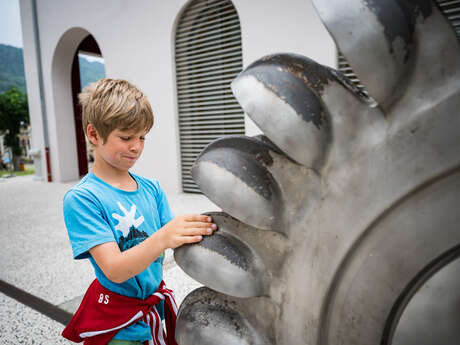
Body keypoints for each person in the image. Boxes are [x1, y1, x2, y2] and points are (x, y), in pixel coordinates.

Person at [61, 78, 217, 345]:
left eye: (142, 137)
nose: (137, 146)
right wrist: (164, 237)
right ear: (94, 134)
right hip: (116, 323)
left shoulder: (151, 188)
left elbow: (177, 241)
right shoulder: (83, 198)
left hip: (153, 311)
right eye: (126, 137)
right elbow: (115, 270)